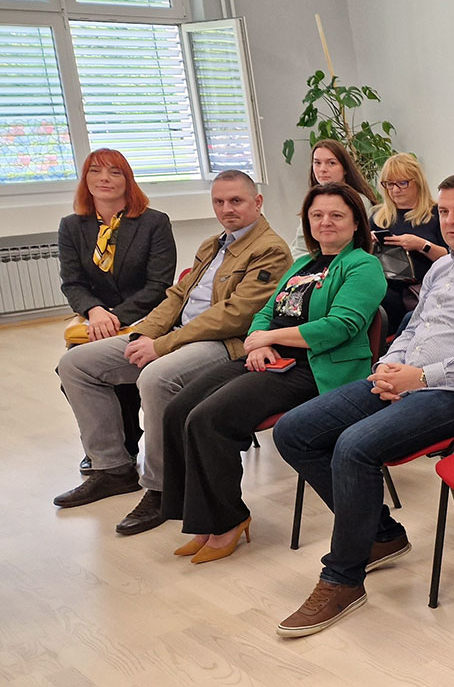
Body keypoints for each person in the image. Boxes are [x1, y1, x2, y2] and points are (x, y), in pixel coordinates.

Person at [273, 172, 454, 637]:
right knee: (293, 431)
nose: (451, 220)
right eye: (444, 211)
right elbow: (413, 328)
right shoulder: (440, 268)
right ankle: (380, 534)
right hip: (405, 379)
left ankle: (343, 579)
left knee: (354, 446)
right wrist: (388, 366)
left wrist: (421, 377)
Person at [54, 170, 290, 536]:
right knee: (76, 364)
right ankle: (112, 467)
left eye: (236, 201)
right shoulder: (213, 244)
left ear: (257, 202)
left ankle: (162, 488)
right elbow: (177, 296)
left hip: (225, 345)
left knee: (157, 376)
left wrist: (162, 346)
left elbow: (235, 315)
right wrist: (145, 333)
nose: (226, 209)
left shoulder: (270, 250)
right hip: (176, 335)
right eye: (218, 202)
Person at [159, 183, 383, 563]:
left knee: (210, 418)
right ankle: (205, 521)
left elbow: (339, 327)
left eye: (336, 215)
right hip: (269, 358)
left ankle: (228, 521)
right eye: (317, 215)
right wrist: (259, 343)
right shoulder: (302, 265)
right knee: (178, 409)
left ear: (356, 222)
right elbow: (266, 312)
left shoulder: (363, 266)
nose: (325, 222)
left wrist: (271, 338)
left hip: (314, 367)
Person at [56, 149, 176, 470]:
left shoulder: (154, 222)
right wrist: (95, 311)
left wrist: (117, 317)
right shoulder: (71, 226)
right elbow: (72, 283)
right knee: (70, 369)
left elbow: (159, 284)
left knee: (124, 361)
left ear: (128, 180)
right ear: (86, 180)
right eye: (95, 171)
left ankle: (125, 444)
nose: (104, 179)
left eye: (114, 172)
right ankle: (105, 443)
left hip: (145, 318)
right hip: (95, 319)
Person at [370, 153, 447, 329]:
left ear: (417, 182)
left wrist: (421, 245)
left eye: (402, 183)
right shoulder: (378, 216)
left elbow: (450, 258)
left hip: (422, 289)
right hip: (384, 286)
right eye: (389, 184)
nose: (395, 190)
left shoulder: (436, 214)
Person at [297, 139, 380, 259]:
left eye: (331, 163)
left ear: (345, 168)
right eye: (317, 163)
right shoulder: (313, 201)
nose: (322, 169)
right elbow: (299, 248)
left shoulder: (359, 201)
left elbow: (362, 244)